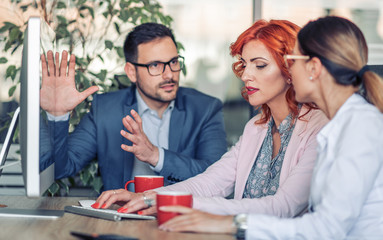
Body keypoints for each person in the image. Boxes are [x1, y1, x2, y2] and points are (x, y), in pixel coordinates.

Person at [156, 16, 383, 239]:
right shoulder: (343, 125)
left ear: (313, 68)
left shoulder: (357, 128)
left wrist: (229, 223)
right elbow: (212, 181)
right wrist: (152, 198)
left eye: (294, 61)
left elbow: (325, 228)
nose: (291, 69)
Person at [92, 19, 328, 217]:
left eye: (260, 65)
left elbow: (282, 207)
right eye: (244, 65)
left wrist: (173, 203)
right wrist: (147, 197)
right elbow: (210, 182)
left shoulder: (319, 128)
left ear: (291, 70)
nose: (246, 75)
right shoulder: (256, 128)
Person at [40, 23, 227, 191]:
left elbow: (218, 178)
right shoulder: (106, 110)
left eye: (173, 62)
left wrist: (156, 156)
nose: (169, 74)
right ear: (131, 72)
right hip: (121, 220)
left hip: (180, 220)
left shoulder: (205, 109)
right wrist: (58, 116)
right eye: (155, 65)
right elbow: (60, 169)